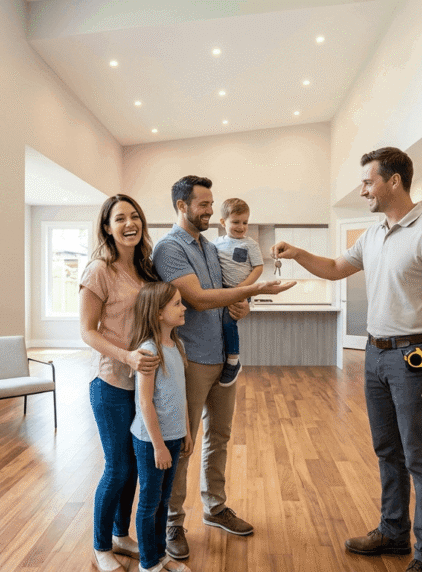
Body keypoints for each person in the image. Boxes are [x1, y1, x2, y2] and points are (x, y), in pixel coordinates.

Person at [272, 147, 422, 572]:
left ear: (394, 181)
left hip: (414, 358)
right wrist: (298, 253)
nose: (363, 191)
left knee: (420, 457)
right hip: (375, 356)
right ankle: (393, 532)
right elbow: (335, 267)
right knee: (387, 450)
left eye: (368, 182)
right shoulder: (374, 234)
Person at [152, 175, 295, 561]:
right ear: (182, 205)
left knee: (220, 437)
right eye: (203, 204)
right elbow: (198, 299)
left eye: (211, 204)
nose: (210, 210)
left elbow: (222, 297)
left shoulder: (209, 246)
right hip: (191, 360)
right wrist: (254, 290)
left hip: (222, 358)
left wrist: (240, 306)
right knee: (182, 444)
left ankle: (214, 507)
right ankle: (172, 522)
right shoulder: (169, 248)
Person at [80, 194, 162, 572]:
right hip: (110, 382)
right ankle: (100, 546)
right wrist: (127, 357)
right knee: (117, 468)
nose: (130, 224)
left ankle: (119, 534)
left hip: (143, 384)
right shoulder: (99, 270)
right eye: (120, 219)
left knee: (134, 467)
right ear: (107, 227)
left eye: (135, 217)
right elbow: (87, 331)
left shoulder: (146, 268)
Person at [129, 282, 194, 572]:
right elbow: (145, 403)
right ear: (158, 313)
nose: (184, 308)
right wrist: (158, 446)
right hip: (151, 442)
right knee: (149, 503)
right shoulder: (148, 350)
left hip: (174, 437)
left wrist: (186, 432)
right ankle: (148, 563)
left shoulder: (177, 346)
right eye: (177, 304)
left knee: (164, 501)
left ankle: (159, 554)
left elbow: (181, 396)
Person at [212, 198, 264, 386]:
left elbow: (258, 268)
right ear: (223, 222)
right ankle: (222, 357)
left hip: (241, 291)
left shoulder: (250, 244)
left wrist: (242, 289)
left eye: (245, 222)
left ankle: (233, 361)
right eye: (236, 222)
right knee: (218, 324)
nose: (241, 227)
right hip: (223, 292)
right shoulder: (215, 244)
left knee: (228, 321)